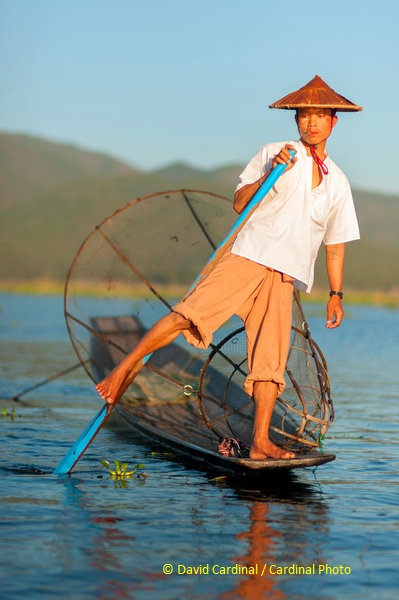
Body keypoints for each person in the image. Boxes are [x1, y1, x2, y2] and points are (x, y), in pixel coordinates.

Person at [96, 75, 362, 460]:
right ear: (297, 120)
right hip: (250, 256)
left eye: (320, 115)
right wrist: (274, 171)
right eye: (305, 115)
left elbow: (334, 245)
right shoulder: (276, 152)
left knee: (270, 362)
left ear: (334, 122)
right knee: (190, 315)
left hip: (284, 276)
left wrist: (336, 295)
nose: (311, 122)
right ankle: (123, 370)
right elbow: (240, 202)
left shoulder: (338, 182)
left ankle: (259, 443)